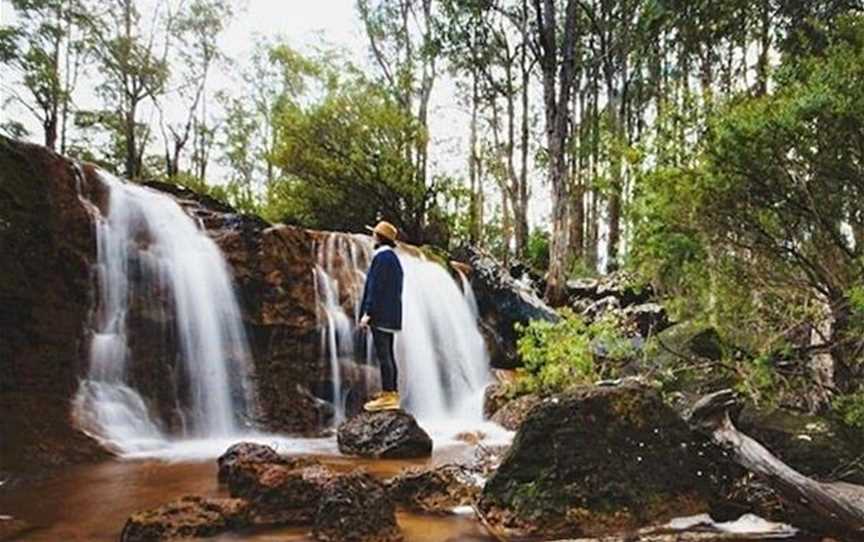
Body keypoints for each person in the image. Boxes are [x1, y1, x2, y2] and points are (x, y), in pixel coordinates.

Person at [359, 220, 405, 412]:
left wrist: (368, 313)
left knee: (383, 354)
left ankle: (389, 395)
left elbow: (375, 288)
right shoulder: (394, 260)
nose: (372, 238)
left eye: (374, 235)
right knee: (389, 355)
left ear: (379, 238)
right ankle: (391, 393)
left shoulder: (381, 259)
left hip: (381, 315)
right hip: (392, 315)